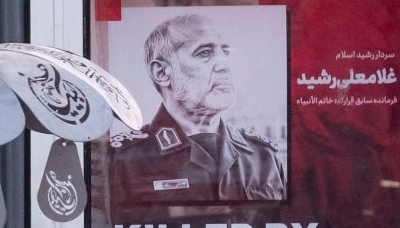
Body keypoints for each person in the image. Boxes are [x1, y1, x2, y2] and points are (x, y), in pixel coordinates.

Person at [110, 13, 286, 206]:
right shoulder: (124, 161)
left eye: (225, 52)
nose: (224, 65)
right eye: (204, 53)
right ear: (162, 72)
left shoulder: (263, 157)